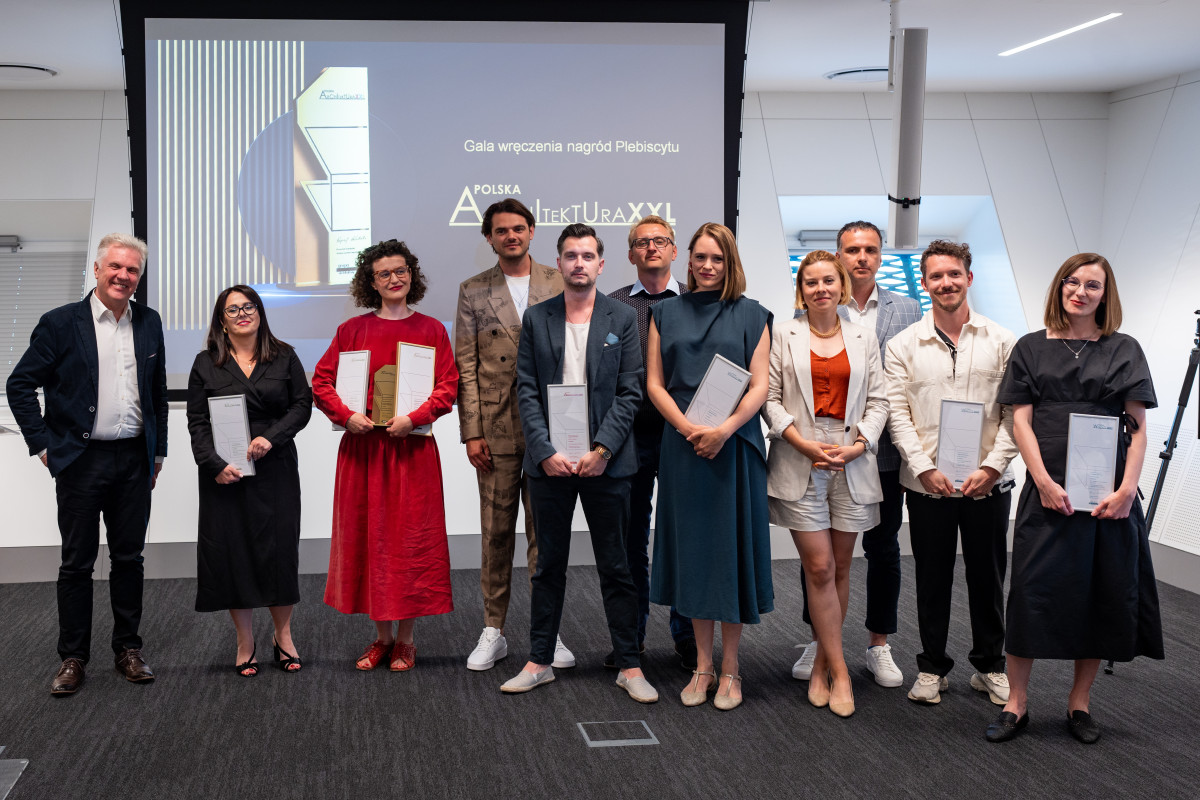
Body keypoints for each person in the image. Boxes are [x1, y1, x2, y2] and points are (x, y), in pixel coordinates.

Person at [986, 253, 1162, 744]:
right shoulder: (1030, 347)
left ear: (1106, 295)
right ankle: (1016, 703)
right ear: (1059, 287)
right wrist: (1041, 480)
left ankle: (1079, 704)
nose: (1080, 291)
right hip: (1048, 491)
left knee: (1099, 594)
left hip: (1108, 497)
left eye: (1092, 285)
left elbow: (1138, 428)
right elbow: (1021, 422)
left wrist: (1127, 490)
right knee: (1030, 594)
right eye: (1072, 281)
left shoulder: (1124, 348)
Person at [500, 223, 656, 703]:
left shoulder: (621, 317)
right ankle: (539, 661)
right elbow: (527, 389)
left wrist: (602, 450)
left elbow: (630, 391)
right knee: (548, 567)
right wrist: (543, 451)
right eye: (571, 255)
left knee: (617, 566)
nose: (579, 263)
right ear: (559, 263)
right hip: (549, 464)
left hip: (607, 463)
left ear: (601, 264)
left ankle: (629, 665)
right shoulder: (538, 317)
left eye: (588, 256)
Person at [7, 232, 167, 696]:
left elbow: (156, 391)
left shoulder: (150, 322)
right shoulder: (60, 323)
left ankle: (128, 649)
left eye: (132, 269)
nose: (123, 275)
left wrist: (157, 451)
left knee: (129, 559)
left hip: (134, 460)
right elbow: (20, 385)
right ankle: (73, 657)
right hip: (80, 460)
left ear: (139, 277)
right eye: (115, 266)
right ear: (96, 270)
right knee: (76, 563)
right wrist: (44, 447)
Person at [312, 239, 459, 672]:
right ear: (371, 282)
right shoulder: (351, 330)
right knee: (372, 540)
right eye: (384, 274)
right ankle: (382, 637)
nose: (394, 279)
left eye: (401, 270)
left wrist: (415, 418)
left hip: (411, 452)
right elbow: (322, 382)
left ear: (412, 275)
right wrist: (346, 416)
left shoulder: (432, 330)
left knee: (410, 542)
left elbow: (447, 385)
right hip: (363, 452)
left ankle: (406, 641)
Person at [883, 241, 1019, 707]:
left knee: (989, 578)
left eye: (954, 274)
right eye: (937, 276)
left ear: (969, 278)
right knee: (932, 578)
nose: (946, 283)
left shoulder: (1002, 341)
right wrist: (922, 468)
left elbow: (1016, 415)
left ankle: (990, 666)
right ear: (924, 284)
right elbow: (897, 414)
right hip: (928, 486)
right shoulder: (903, 345)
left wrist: (993, 465)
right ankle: (931, 668)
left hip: (988, 484)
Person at [647, 222, 773, 711]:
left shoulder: (753, 314)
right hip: (684, 449)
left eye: (717, 258)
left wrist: (723, 430)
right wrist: (688, 428)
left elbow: (760, 386)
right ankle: (702, 666)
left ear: (730, 262)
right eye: (700, 257)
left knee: (730, 556)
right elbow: (655, 383)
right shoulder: (664, 312)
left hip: (734, 447)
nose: (707, 266)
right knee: (696, 557)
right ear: (688, 259)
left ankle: (732, 668)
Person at [793, 221, 921, 689]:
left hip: (882, 451)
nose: (861, 257)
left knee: (883, 548)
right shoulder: (820, 300)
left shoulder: (907, 308)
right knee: (820, 556)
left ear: (881, 256)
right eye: (852, 250)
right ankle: (820, 642)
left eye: (870, 249)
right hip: (824, 450)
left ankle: (878, 643)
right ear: (838, 256)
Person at [763, 250, 888, 718]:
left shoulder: (863, 336)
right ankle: (841, 672)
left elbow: (879, 401)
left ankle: (820, 663)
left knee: (840, 568)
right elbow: (769, 399)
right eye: (811, 282)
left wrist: (860, 445)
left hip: (850, 458)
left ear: (841, 286)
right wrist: (800, 443)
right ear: (801, 290)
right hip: (801, 455)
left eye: (828, 281)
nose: (821, 289)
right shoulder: (783, 333)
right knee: (818, 568)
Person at [453, 198, 573, 672]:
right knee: (496, 533)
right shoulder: (473, 289)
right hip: (496, 429)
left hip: (552, 427)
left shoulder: (558, 280)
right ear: (489, 237)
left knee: (546, 534)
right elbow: (465, 365)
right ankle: (493, 630)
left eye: (518, 228)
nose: (511, 236)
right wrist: (471, 432)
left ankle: (548, 631)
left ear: (532, 231)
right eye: (501, 230)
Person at [186, 285, 313, 676]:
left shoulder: (285, 355)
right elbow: (197, 421)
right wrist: (213, 464)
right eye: (233, 310)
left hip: (275, 467)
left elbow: (302, 405)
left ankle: (283, 636)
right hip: (226, 474)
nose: (242, 314)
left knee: (279, 551)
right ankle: (245, 641)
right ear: (221, 321)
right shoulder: (205, 363)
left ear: (259, 312)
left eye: (249, 306)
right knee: (233, 553)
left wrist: (271, 438)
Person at [607, 214, 696, 670]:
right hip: (631, 437)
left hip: (684, 435)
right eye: (642, 243)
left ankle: (689, 637)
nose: (652, 248)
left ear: (675, 251)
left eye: (660, 241)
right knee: (631, 540)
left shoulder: (696, 301)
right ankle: (632, 638)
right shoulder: (614, 305)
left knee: (683, 536)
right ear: (631, 255)